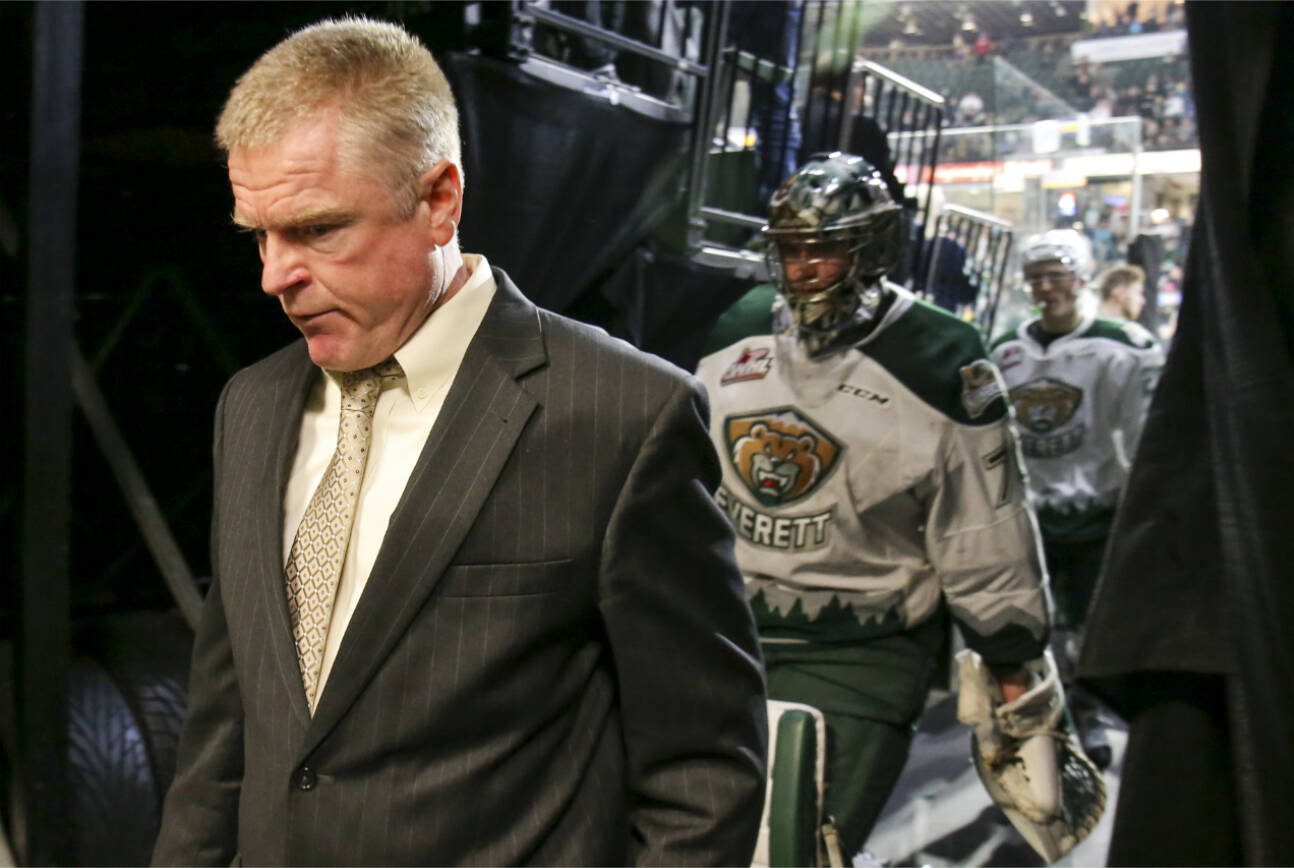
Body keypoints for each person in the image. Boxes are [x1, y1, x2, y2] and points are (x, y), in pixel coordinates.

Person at [152, 18, 767, 866]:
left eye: (318, 229)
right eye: (260, 234)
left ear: (440, 199)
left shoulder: (623, 416)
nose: (275, 276)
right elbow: (224, 732)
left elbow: (702, 773)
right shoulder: (252, 406)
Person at [696, 153, 1050, 856]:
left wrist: (1010, 653)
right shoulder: (735, 330)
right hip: (730, 640)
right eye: (792, 249)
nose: (804, 269)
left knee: (805, 847)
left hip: (865, 654)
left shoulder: (945, 357)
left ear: (876, 246)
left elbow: (983, 526)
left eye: (825, 247)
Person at [991, 230, 1164, 767]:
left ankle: (1087, 710)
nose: (1046, 287)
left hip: (1094, 512)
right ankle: (1052, 720)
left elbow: (1146, 439)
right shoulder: (1004, 349)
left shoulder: (1125, 347)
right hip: (1029, 514)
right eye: (1037, 276)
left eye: (1057, 275)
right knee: (1036, 628)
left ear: (1083, 276)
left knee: (1089, 627)